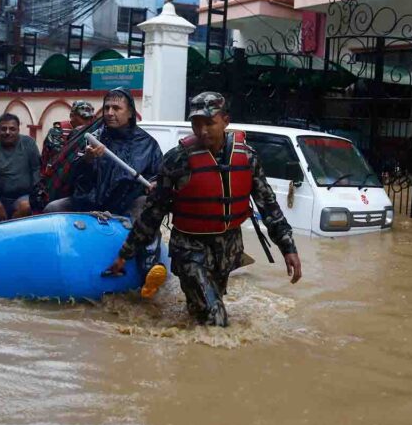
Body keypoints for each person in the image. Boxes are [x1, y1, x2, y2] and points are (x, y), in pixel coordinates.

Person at [104, 93, 302, 325]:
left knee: (200, 312)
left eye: (209, 123)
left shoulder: (247, 158)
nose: (203, 130)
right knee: (216, 319)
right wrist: (124, 254)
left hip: (226, 251)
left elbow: (269, 207)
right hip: (189, 249)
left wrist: (288, 248)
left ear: (226, 121)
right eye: (196, 124)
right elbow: (152, 214)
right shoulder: (177, 160)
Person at [45, 88, 161, 218]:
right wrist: (87, 160)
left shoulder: (147, 144)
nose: (110, 113)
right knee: (53, 208)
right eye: (107, 108)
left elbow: (158, 177)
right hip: (89, 204)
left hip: (125, 208)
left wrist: (155, 183)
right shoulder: (94, 137)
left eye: (116, 108)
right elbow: (74, 180)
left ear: (130, 113)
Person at [0, 112, 41, 224]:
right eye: (3, 129)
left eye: (12, 129)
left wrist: (35, 195)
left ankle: (8, 233)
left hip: (22, 196)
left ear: (18, 130)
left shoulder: (28, 143)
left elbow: (37, 170)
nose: (8, 132)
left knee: (26, 206)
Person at [41, 100, 96, 177]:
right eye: (84, 118)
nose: (88, 122)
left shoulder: (92, 131)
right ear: (72, 116)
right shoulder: (57, 132)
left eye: (90, 118)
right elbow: (60, 157)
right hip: (56, 177)